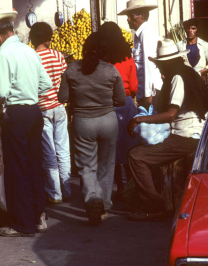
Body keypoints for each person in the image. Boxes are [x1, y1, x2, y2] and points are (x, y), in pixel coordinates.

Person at [0, 10, 53, 237]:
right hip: (34, 113)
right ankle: (39, 216)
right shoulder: (29, 52)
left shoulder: (5, 54)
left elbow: (0, 91)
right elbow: (46, 84)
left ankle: (22, 223)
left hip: (16, 116)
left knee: (18, 169)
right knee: (34, 165)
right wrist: (28, 92)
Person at [127, 39, 208, 221]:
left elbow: (171, 114)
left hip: (186, 137)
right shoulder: (188, 73)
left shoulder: (178, 78)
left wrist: (138, 119)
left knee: (136, 156)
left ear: (167, 63)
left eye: (160, 66)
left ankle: (155, 205)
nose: (160, 71)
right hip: (196, 133)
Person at [58, 33, 126, 225]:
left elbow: (62, 98)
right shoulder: (111, 70)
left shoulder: (71, 70)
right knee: (106, 164)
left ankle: (92, 199)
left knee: (87, 167)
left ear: (84, 49)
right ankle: (103, 204)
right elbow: (121, 100)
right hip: (108, 121)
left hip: (82, 123)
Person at [29, 22, 71, 204]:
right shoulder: (58, 55)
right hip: (60, 107)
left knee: (49, 152)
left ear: (32, 39)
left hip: (43, 109)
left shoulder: (32, 58)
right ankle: (67, 188)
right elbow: (65, 81)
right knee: (63, 150)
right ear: (48, 38)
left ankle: (55, 193)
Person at [98, 22, 138, 195]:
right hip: (127, 105)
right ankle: (130, 186)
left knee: (111, 151)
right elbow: (135, 86)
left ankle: (119, 188)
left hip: (108, 105)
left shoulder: (101, 60)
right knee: (130, 150)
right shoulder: (127, 57)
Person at [118, 0, 162, 111]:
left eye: (130, 16)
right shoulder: (139, 34)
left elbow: (149, 64)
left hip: (151, 91)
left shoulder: (146, 33)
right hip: (144, 90)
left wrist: (148, 94)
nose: (128, 19)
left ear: (142, 15)